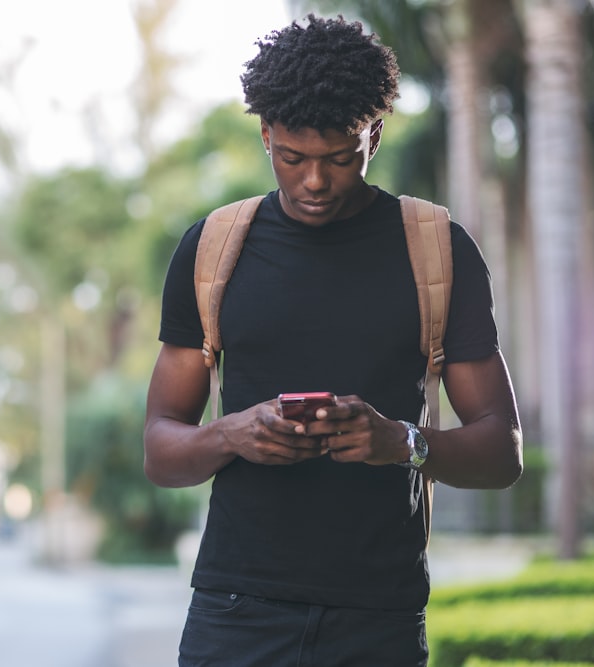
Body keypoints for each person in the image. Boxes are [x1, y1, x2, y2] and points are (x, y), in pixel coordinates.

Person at [143, 14, 523, 667]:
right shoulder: (213, 249)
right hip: (236, 612)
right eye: (292, 158)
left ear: (373, 134)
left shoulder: (436, 249)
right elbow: (159, 447)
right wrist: (230, 434)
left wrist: (400, 441)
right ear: (266, 135)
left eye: (340, 157)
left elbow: (502, 452)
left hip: (378, 616)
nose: (314, 181)